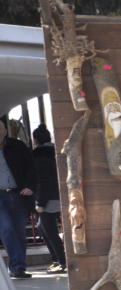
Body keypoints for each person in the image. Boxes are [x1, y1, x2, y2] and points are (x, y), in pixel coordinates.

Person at [0, 119, 35, 279]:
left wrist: (30, 186)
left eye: (0, 128)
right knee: (6, 229)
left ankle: (19, 267)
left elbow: (31, 167)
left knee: (20, 232)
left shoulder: (17, 146)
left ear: (5, 130)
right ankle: (16, 266)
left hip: (18, 194)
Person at [30, 125, 67, 273]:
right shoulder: (55, 151)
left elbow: (42, 180)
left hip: (47, 197)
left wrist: (40, 201)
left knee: (49, 230)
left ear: (36, 139)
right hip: (58, 193)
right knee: (42, 227)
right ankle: (57, 259)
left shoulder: (38, 155)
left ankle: (62, 261)